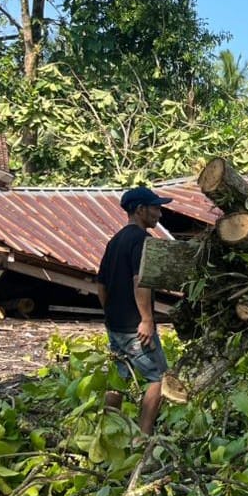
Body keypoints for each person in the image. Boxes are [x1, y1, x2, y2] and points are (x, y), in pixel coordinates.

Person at [97, 186, 173, 436]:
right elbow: (140, 281)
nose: (159, 214)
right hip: (135, 326)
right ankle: (144, 434)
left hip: (116, 324)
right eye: (155, 208)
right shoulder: (142, 240)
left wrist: (110, 313)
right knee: (158, 378)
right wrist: (147, 319)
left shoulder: (115, 240)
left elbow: (101, 285)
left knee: (119, 377)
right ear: (140, 210)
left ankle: (107, 429)